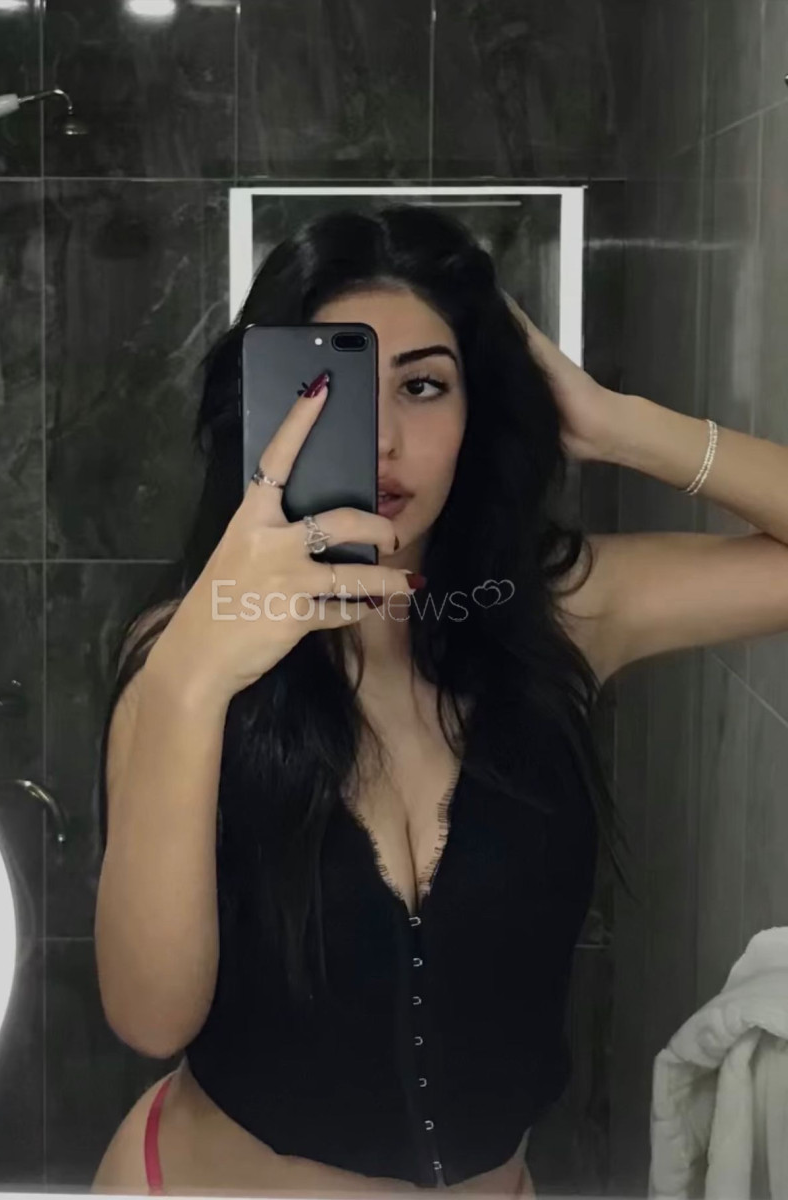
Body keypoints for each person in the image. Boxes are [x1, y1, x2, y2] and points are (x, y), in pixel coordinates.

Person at [91, 204, 788, 1196]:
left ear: (477, 409)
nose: (381, 438)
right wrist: (193, 677)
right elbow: (149, 1017)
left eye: (423, 386)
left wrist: (615, 421)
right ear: (268, 404)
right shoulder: (185, 651)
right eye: (333, 390)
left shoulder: (560, 611)